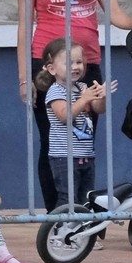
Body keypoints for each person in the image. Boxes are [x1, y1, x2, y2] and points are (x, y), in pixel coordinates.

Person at [15, 0, 132, 210]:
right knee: (52, 143)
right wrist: (24, 79)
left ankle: (84, 218)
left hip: (87, 65)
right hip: (48, 68)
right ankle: (57, 215)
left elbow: (116, 15)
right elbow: (24, 28)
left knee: (84, 143)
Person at [42, 38, 108, 209]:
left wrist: (102, 97)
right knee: (68, 198)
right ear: (52, 69)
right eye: (68, 63)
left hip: (86, 155)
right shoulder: (55, 91)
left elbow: (99, 109)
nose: (75, 67)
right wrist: (83, 99)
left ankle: (81, 226)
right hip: (64, 157)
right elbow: (64, 116)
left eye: (79, 62)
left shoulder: (82, 87)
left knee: (86, 198)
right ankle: (60, 225)